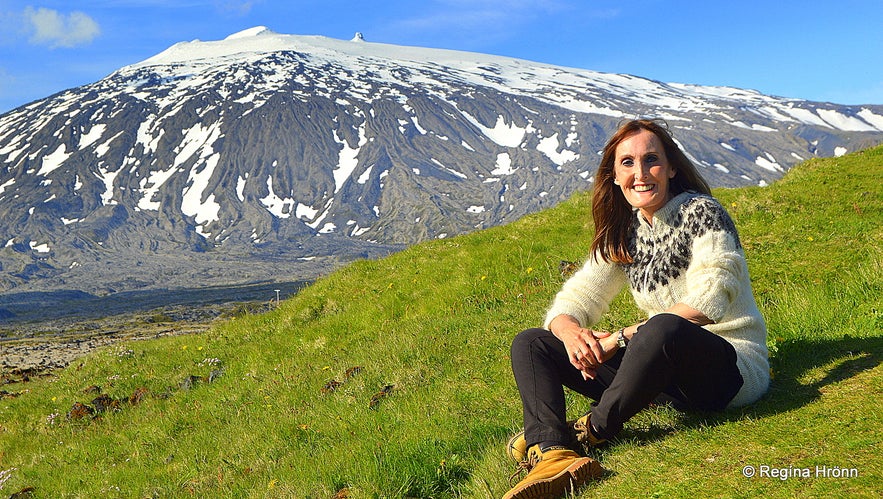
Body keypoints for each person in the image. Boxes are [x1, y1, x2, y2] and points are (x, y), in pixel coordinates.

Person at [503, 119, 770, 498]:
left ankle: (588, 433)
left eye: (651, 160)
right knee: (533, 343)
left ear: (671, 167)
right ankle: (553, 452)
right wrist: (572, 333)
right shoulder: (626, 231)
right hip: (661, 377)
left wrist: (620, 337)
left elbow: (711, 298)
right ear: (613, 175)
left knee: (662, 328)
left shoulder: (703, 213)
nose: (640, 174)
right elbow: (575, 299)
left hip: (728, 371)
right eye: (627, 163)